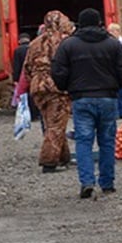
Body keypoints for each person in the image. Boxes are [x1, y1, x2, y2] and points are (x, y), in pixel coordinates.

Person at [52, 8, 122, 198]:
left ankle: (87, 182)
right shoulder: (112, 44)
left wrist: (66, 87)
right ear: (99, 23)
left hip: (81, 99)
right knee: (107, 142)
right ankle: (107, 183)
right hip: (107, 97)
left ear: (80, 23)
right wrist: (117, 85)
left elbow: (58, 70)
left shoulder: (69, 45)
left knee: (83, 141)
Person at [24, 11, 75, 173]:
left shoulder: (34, 43)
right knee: (56, 125)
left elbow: (27, 68)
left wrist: (34, 81)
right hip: (55, 88)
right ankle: (49, 161)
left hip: (37, 87)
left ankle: (63, 157)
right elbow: (67, 67)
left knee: (52, 122)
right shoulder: (63, 42)